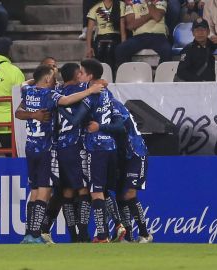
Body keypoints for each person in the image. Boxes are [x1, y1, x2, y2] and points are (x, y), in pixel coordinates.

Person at [16, 65, 104, 244]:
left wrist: (37, 81)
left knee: (35, 191)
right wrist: (91, 90)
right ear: (47, 79)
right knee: (45, 191)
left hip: (30, 147)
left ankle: (29, 233)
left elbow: (23, 88)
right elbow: (67, 100)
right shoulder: (49, 95)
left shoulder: (27, 91)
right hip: (46, 149)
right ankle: (35, 235)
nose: (56, 81)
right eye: (53, 77)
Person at [61, 59, 118, 243]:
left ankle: (102, 235)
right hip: (110, 145)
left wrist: (60, 110)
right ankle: (116, 227)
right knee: (103, 190)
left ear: (89, 75)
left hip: (94, 147)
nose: (80, 75)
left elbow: (76, 121)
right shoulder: (106, 91)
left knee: (95, 191)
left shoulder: (89, 95)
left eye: (82, 72)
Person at [86, 99, 153, 243]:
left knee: (129, 194)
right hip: (120, 155)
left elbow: (121, 128)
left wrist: (100, 127)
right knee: (120, 196)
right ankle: (127, 236)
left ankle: (145, 234)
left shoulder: (113, 104)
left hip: (135, 152)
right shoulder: (99, 106)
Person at [115, 0, 172, 67]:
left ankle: (160, 76)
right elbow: (131, 25)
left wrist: (148, 2)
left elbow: (157, 16)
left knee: (167, 51)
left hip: (158, 36)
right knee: (120, 49)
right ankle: (131, 74)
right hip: (138, 37)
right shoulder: (131, 1)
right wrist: (150, 14)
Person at [85, 0, 126, 71]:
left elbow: (122, 27)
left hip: (115, 36)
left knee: (109, 48)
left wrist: (124, 44)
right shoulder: (96, 8)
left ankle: (111, 76)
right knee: (99, 48)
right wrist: (89, 47)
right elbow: (89, 30)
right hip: (100, 37)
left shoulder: (120, 5)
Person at [175, 17, 215, 82]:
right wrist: (200, 81)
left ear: (208, 32)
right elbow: (181, 72)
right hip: (194, 88)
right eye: (197, 30)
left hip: (211, 87)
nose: (200, 33)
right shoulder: (188, 50)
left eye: (203, 30)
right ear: (193, 33)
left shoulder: (213, 46)